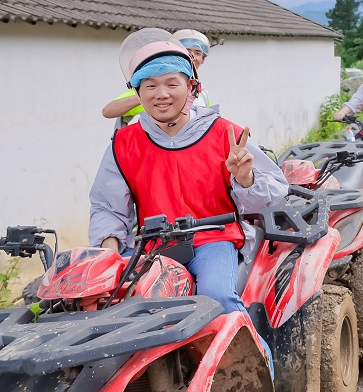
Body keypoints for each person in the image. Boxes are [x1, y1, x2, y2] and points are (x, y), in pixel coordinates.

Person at [89, 29, 288, 358]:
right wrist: (109, 252)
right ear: (137, 92)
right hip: (153, 247)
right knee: (115, 307)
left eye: (172, 84)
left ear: (192, 87)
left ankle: (260, 367)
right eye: (150, 86)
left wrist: (245, 177)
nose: (161, 94)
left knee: (217, 300)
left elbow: (274, 192)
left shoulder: (225, 133)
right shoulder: (124, 143)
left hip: (214, 239)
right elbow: (107, 207)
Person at [102, 28, 213, 124]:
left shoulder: (202, 92)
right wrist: (145, 96)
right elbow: (108, 111)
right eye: (187, 50)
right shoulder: (154, 84)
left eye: (198, 53)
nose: (192, 56)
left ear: (203, 59)